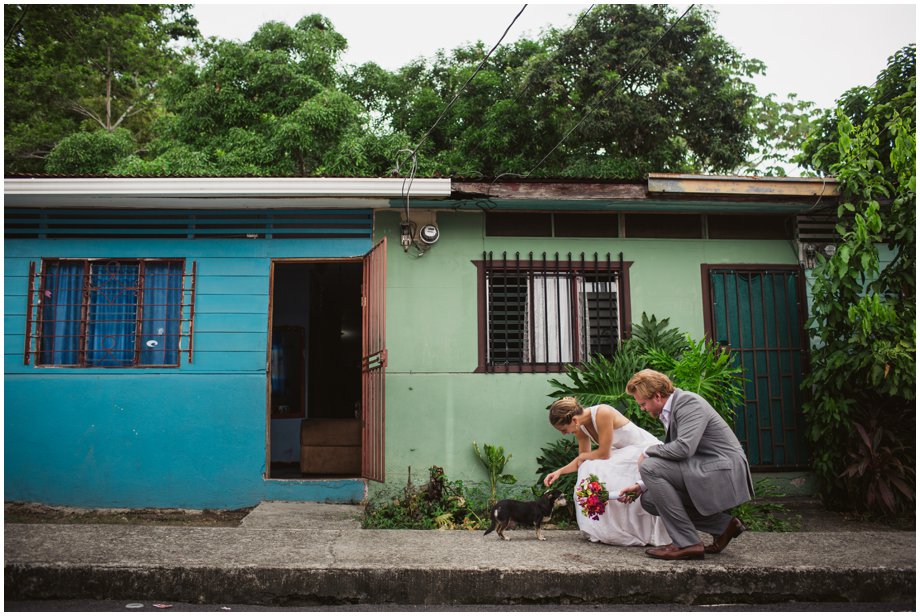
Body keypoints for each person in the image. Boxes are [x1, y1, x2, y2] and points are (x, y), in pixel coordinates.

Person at [618, 369, 754, 561]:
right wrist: (641, 486)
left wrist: (647, 452)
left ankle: (687, 543)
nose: (642, 409)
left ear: (657, 396)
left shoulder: (689, 403)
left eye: (643, 403)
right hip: (704, 467)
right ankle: (723, 526)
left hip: (723, 470)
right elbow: (675, 457)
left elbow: (683, 449)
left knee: (649, 465)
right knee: (649, 499)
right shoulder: (672, 409)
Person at [542, 397, 670, 546]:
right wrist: (559, 472)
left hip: (643, 450)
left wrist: (584, 458)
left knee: (595, 468)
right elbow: (583, 460)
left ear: (574, 420)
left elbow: (604, 454)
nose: (564, 434)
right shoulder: (580, 427)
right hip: (621, 453)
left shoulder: (602, 413)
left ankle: (644, 531)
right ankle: (613, 530)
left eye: (564, 430)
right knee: (588, 468)